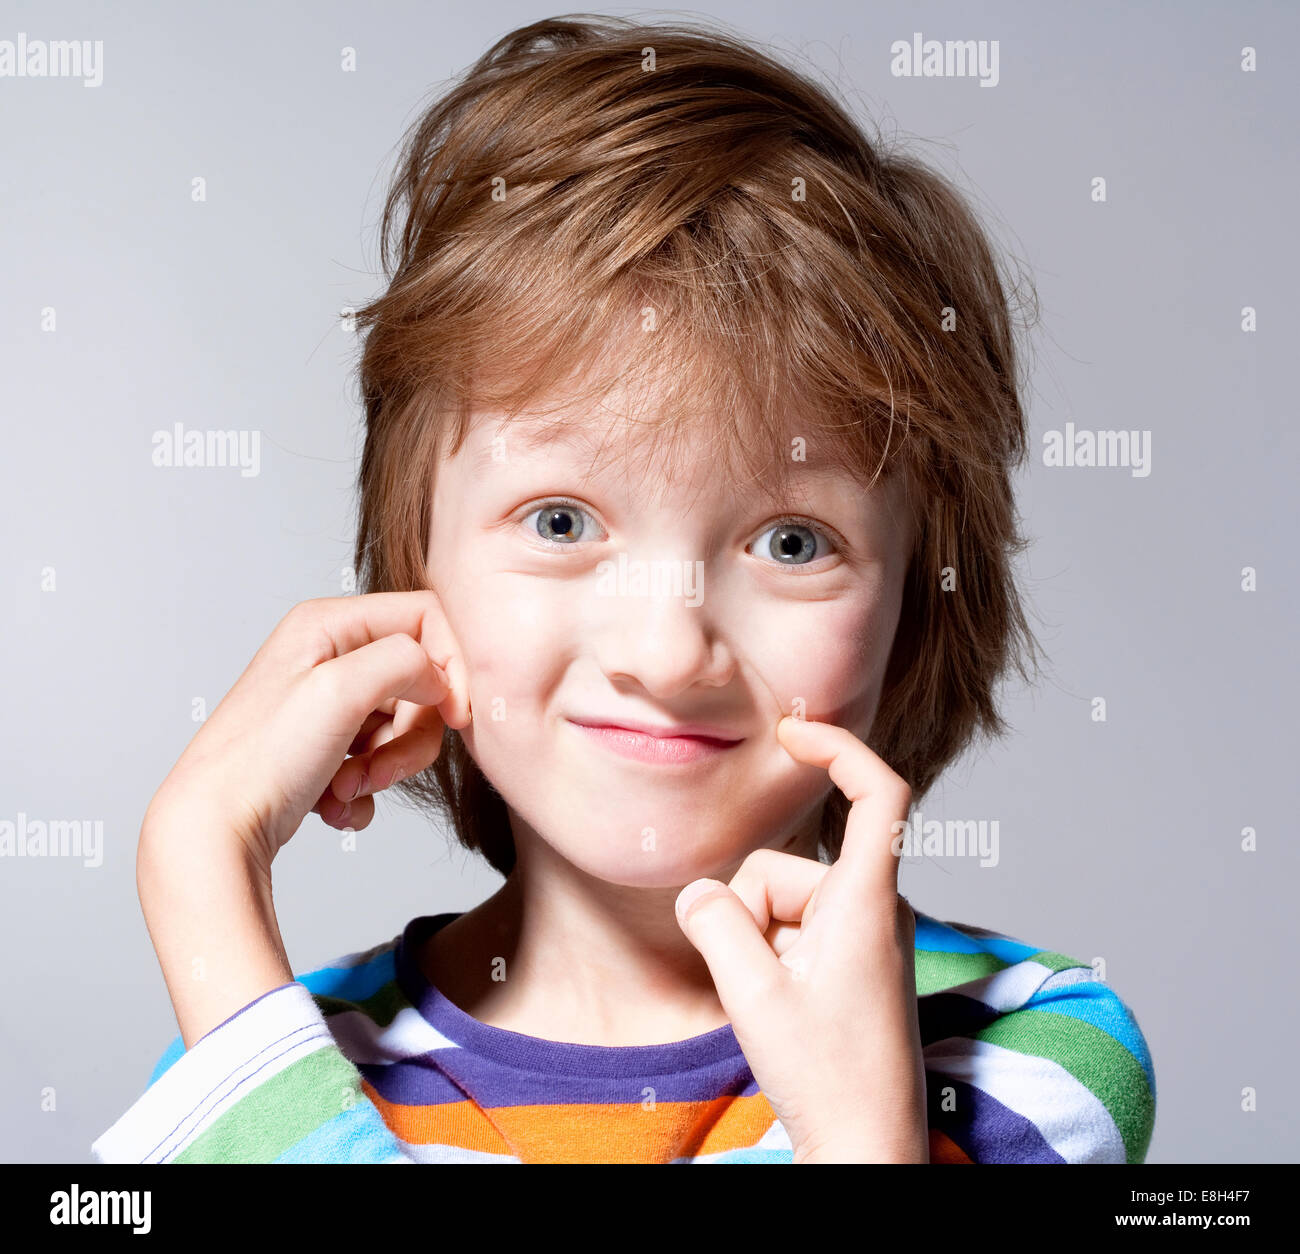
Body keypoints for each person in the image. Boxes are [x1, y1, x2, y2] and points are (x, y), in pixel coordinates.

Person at [92, 14, 1155, 1164]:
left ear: (916, 612)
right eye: (560, 521)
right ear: (414, 574)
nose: (662, 648)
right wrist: (205, 866)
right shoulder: (256, 1061)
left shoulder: (1025, 1050)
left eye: (791, 544)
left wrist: (862, 1133)